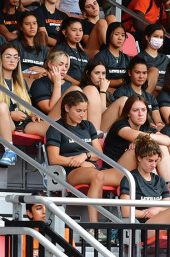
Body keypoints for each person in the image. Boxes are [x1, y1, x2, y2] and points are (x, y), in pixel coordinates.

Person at [45, 91, 124, 224]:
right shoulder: (56, 127)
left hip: (91, 167)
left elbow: (98, 153)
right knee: (97, 176)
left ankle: (124, 222)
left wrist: (84, 155)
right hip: (68, 173)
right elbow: (54, 159)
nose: (82, 114)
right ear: (67, 108)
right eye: (78, 110)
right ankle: (94, 226)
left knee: (127, 177)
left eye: (85, 111)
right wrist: (79, 163)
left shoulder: (87, 125)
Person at [0, 42, 46, 166]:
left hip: (24, 123)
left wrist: (32, 114)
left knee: (51, 127)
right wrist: (10, 113)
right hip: (6, 123)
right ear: (0, 59)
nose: (12, 60)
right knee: (0, 106)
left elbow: (28, 106)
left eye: (16, 57)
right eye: (8, 56)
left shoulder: (21, 82)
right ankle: (9, 151)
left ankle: (49, 164)